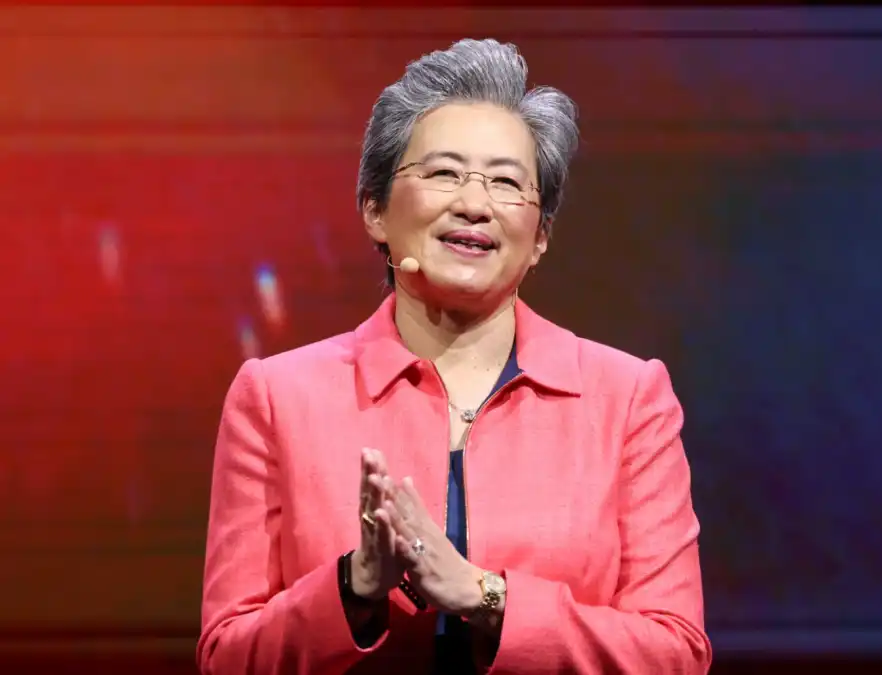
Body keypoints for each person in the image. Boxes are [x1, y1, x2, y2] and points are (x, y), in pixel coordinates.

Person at [196, 38, 712, 675]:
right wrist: (354, 586)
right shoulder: (277, 398)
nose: (474, 203)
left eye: (506, 182)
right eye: (444, 173)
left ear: (540, 237)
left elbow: (676, 654)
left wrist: (484, 596)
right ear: (375, 211)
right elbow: (227, 657)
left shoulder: (628, 400)